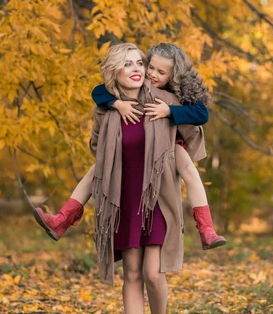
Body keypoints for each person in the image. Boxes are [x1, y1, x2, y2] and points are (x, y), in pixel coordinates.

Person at [33, 43, 226, 250]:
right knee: (96, 170)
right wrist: (117, 104)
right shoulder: (138, 82)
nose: (152, 74)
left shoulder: (178, 91)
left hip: (168, 144)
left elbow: (202, 114)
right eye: (150, 67)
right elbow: (99, 91)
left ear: (174, 75)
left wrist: (170, 111)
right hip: (141, 144)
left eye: (161, 72)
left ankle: (206, 229)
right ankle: (62, 220)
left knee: (190, 170)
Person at [90, 43, 206, 314]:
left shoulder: (163, 101)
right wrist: (114, 105)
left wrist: (172, 118)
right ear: (117, 72)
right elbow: (96, 146)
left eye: (141, 62)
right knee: (132, 274)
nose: (140, 69)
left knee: (154, 275)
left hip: (156, 197)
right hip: (124, 198)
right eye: (129, 64)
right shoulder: (108, 108)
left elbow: (197, 120)